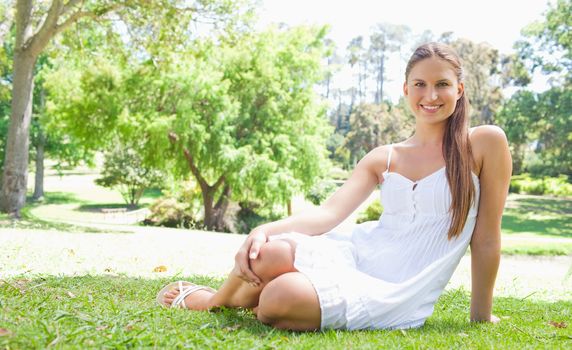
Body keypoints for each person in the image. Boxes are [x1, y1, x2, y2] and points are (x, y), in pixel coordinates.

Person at [156, 42, 512, 331]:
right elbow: (328, 214)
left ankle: (263, 300)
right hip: (358, 254)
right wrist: (263, 230)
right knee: (268, 252)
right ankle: (215, 301)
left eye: (442, 84)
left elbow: (485, 237)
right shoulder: (384, 157)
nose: (430, 94)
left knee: (279, 297)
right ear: (406, 90)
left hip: (395, 288)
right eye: (420, 84)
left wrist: (481, 314)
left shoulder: (483, 144)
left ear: (459, 89)